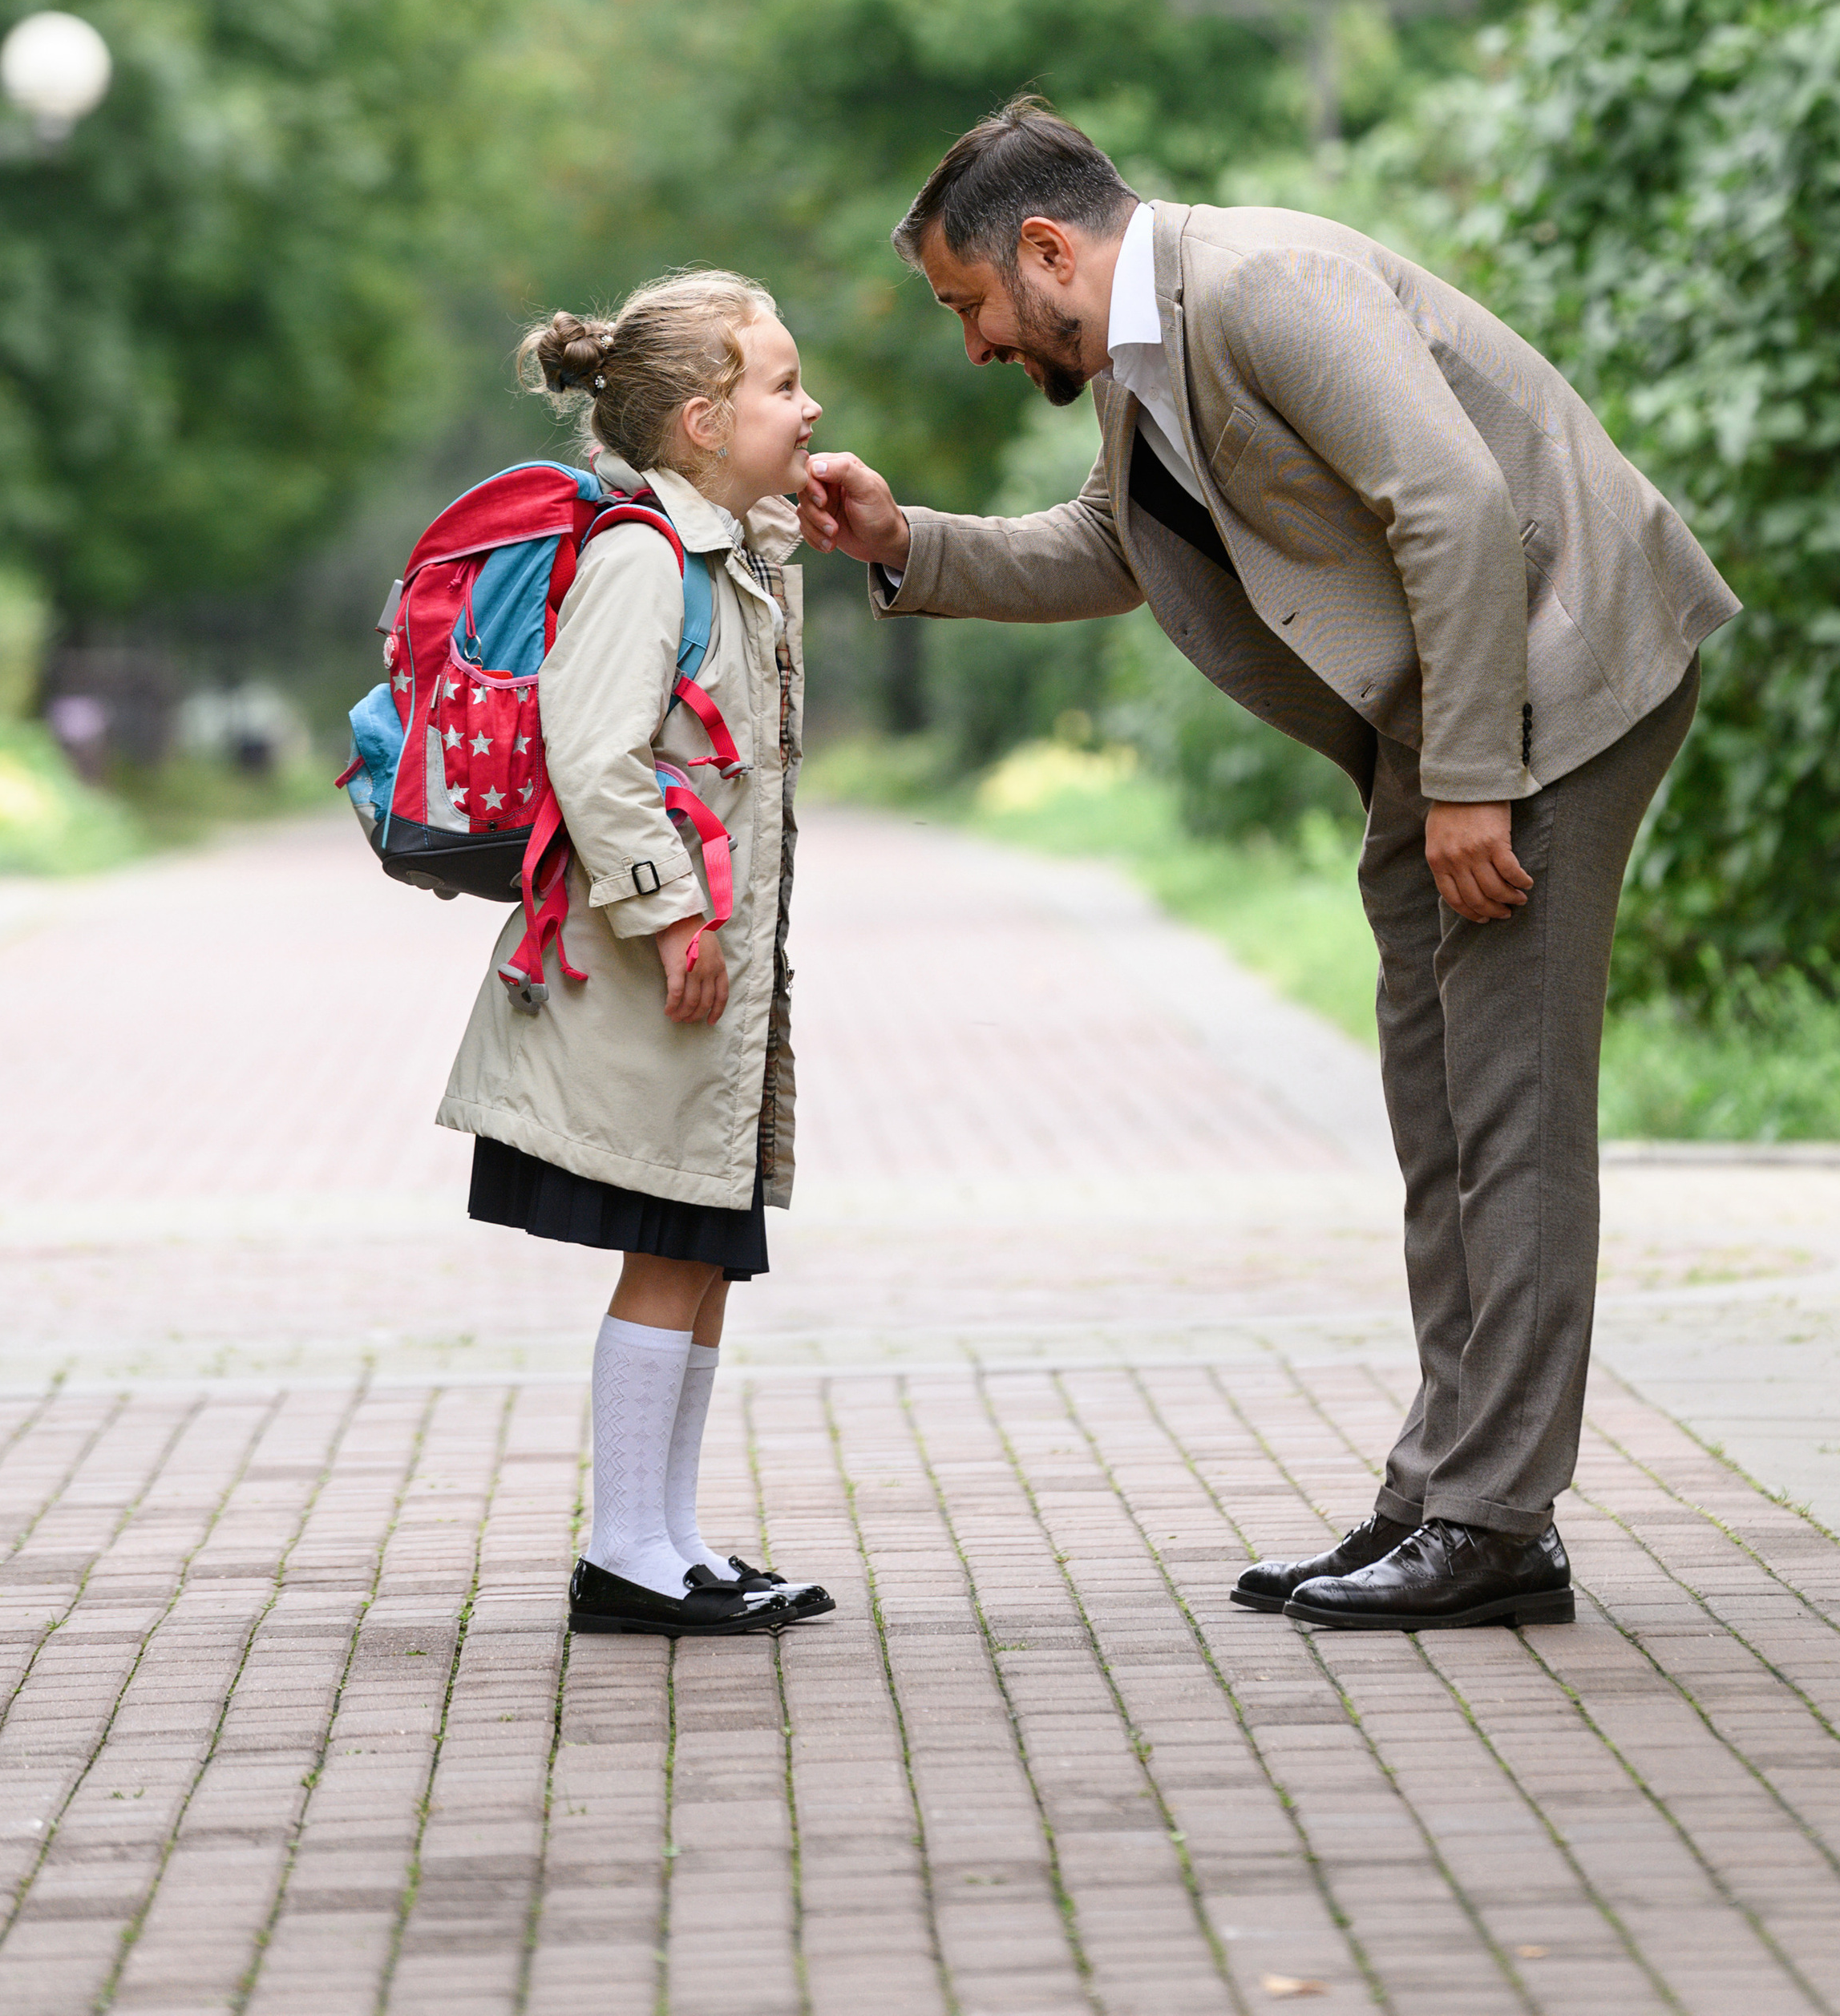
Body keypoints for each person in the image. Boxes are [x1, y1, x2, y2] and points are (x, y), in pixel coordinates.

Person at [799, 98, 1739, 1633]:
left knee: (1511, 1109)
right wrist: (908, 541)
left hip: (1554, 683)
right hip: (1439, 723)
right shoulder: (1143, 361)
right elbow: (1111, 549)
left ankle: (1498, 1522)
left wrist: (1475, 781)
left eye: (970, 305)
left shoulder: (1258, 288)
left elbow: (1454, 504)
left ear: (1048, 250)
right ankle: (1447, 1490)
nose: (974, 343)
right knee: (1436, 1112)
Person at [438, 271, 835, 1639]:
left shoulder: (730, 556)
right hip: (647, 979)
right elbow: (592, 759)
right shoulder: (642, 560)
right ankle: (625, 1553)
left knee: (704, 1253)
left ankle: (669, 1537)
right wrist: (673, 916)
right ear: (702, 421)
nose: (812, 404)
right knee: (669, 1250)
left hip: (701, 988)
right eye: (785, 386)